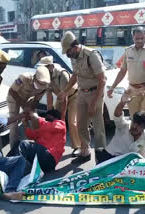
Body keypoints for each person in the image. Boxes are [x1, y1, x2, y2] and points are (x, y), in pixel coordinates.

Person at [107, 26, 145, 161]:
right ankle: (133, 151)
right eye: (137, 38)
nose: (140, 41)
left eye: (142, 38)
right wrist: (112, 87)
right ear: (133, 38)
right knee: (134, 122)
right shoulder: (128, 50)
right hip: (132, 89)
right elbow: (122, 71)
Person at [58, 31, 106, 165]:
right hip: (82, 94)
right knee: (81, 124)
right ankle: (85, 152)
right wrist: (65, 91)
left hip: (95, 93)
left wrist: (94, 103)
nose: (67, 54)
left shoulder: (91, 55)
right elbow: (75, 75)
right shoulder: (74, 57)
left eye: (67, 51)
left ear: (74, 47)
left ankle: (101, 157)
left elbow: (102, 80)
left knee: (98, 127)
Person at [39, 56, 81, 156]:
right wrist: (49, 114)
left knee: (72, 122)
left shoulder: (62, 74)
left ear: (51, 66)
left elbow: (65, 97)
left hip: (73, 97)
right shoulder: (46, 76)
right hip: (60, 98)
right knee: (53, 122)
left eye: (45, 67)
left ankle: (78, 146)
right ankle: (54, 146)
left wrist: (62, 117)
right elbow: (49, 95)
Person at [96, 91, 145, 164]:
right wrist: (122, 103)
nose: (134, 126)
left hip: (125, 163)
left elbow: (142, 155)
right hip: (109, 157)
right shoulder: (124, 125)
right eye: (134, 122)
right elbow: (117, 115)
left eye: (139, 125)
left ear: (144, 127)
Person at [10, 103, 67, 173]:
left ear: (53, 117)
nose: (46, 118)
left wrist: (36, 117)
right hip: (42, 158)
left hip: (50, 159)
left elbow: (51, 127)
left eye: (48, 117)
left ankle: (10, 169)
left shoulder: (61, 124)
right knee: (19, 144)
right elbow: (31, 136)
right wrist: (25, 124)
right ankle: (5, 165)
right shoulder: (43, 127)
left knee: (23, 145)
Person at [7, 66, 51, 148]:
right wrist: (23, 105)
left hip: (28, 99)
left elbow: (37, 100)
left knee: (35, 118)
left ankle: (38, 144)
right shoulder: (24, 77)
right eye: (39, 84)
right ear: (34, 78)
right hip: (14, 98)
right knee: (14, 123)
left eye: (43, 85)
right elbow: (12, 91)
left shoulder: (46, 86)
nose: (41, 87)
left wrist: (30, 110)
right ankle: (13, 148)